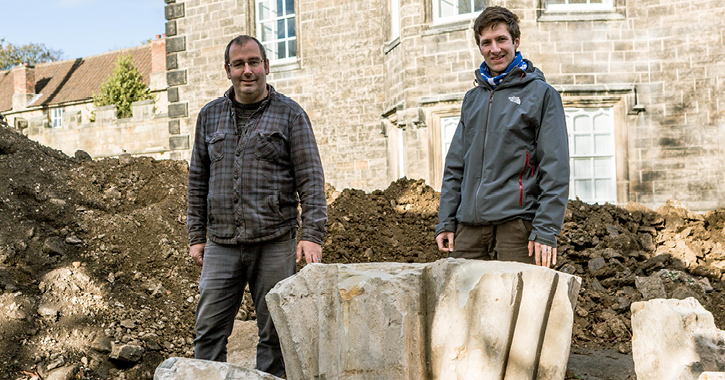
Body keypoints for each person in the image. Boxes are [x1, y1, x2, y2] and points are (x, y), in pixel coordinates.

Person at [187, 35, 326, 377]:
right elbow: (197, 179)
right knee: (207, 333)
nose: (247, 71)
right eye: (239, 64)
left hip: (275, 241)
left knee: (275, 334)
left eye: (253, 62)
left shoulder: (290, 114)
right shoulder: (209, 116)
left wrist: (312, 234)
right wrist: (196, 234)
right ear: (227, 70)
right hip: (221, 243)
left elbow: (311, 177)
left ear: (266, 65)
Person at [435, 6, 569, 268]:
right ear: (480, 47)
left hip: (518, 231)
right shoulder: (472, 99)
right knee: (461, 306)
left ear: (516, 42)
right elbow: (455, 166)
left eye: (501, 40)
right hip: (469, 230)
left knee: (520, 306)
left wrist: (546, 229)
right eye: (486, 43)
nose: (494, 49)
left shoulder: (541, 95)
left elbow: (555, 168)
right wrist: (446, 221)